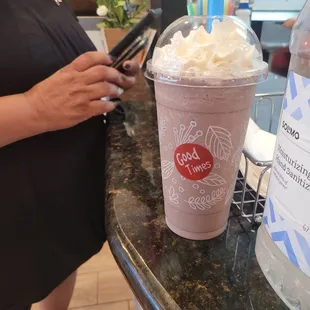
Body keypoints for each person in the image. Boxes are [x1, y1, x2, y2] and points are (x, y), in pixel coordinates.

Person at [0, 1, 139, 309]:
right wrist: (33, 107)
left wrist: (105, 80)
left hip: (55, 212)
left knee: (58, 267)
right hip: (9, 225)